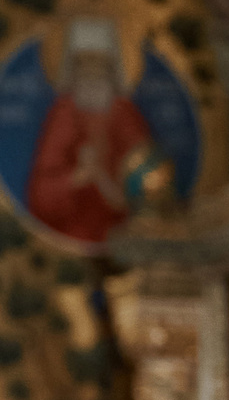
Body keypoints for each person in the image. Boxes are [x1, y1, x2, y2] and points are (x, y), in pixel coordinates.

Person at [27, 17, 166, 245]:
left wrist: (122, 184)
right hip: (72, 234)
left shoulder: (125, 114)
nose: (92, 72)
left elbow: (149, 173)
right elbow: (41, 189)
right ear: (72, 68)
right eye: (83, 64)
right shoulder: (64, 113)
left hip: (124, 234)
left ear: (112, 67)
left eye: (99, 64)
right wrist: (77, 177)